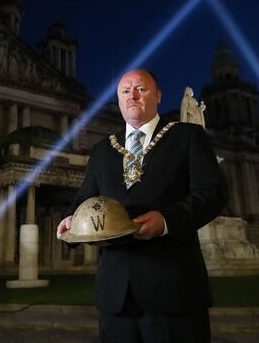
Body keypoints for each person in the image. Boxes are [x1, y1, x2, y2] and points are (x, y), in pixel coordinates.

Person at [57, 69, 226, 343]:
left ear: (158, 95)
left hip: (175, 291)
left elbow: (213, 193)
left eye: (141, 89)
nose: (132, 96)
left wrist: (167, 221)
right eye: (125, 91)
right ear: (118, 100)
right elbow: (83, 200)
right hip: (116, 297)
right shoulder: (102, 150)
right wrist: (71, 220)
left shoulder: (187, 135)